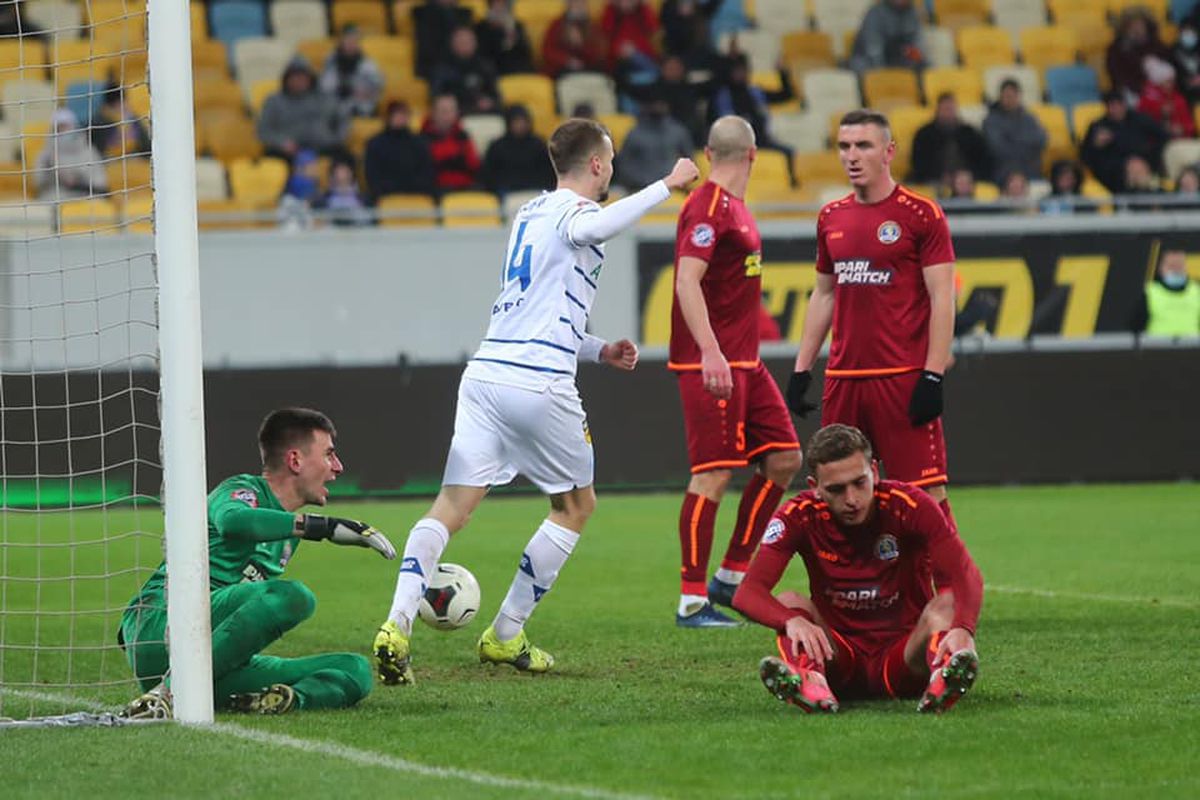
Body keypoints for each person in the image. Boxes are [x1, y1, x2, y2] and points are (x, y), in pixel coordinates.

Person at [373, 120, 700, 685]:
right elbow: (603, 223)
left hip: (485, 374)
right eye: (612, 160)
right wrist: (666, 185)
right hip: (538, 384)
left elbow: (537, 305)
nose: (613, 169)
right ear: (597, 165)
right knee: (575, 507)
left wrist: (597, 350)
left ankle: (396, 623)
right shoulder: (578, 214)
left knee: (451, 506)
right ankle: (505, 636)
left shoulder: (529, 214)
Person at [119, 409, 396, 717]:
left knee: (354, 669)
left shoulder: (288, 532)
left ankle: (281, 699)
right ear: (295, 461)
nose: (338, 467)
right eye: (329, 455)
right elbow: (234, 522)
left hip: (212, 656)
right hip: (164, 626)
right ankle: (171, 691)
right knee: (293, 597)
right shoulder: (242, 491)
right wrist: (322, 527)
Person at [732, 424, 983, 714]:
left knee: (948, 603)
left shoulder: (911, 505)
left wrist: (964, 627)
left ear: (874, 473)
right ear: (815, 488)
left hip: (905, 658)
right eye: (836, 489)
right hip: (839, 660)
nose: (851, 499)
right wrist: (790, 621)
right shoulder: (798, 516)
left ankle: (943, 677)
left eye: (859, 483)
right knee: (789, 603)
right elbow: (747, 593)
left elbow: (965, 572)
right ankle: (812, 682)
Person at [786, 109, 960, 528]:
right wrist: (802, 368)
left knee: (924, 496)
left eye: (863, 145)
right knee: (840, 498)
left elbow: (942, 295)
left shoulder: (921, 214)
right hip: (844, 381)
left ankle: (951, 590)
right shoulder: (831, 216)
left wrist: (933, 374)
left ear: (888, 151)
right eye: (844, 146)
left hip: (901, 378)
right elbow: (825, 292)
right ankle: (856, 591)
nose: (851, 155)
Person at [669, 116, 801, 627]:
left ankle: (730, 576)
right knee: (713, 474)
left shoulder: (734, 209)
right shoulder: (706, 207)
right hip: (713, 363)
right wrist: (709, 351)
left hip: (745, 361)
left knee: (786, 459)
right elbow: (687, 282)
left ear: (708, 152)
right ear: (754, 154)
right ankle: (691, 600)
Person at [257, 58, 348, 161]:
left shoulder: (325, 98)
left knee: (345, 157)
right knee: (271, 157)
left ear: (311, 78)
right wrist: (281, 142)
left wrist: (334, 139)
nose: (299, 81)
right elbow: (263, 130)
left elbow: (342, 120)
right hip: (288, 150)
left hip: (323, 147)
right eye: (294, 77)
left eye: (303, 77)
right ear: (286, 79)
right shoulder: (274, 101)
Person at [1080, 91, 1168, 194]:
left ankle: (1143, 196)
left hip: (1144, 161)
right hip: (1113, 171)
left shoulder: (1139, 119)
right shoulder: (1098, 126)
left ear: (1124, 105)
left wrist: (1148, 156)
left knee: (1138, 167)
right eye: (1112, 106)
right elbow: (1085, 156)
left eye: (1119, 104)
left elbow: (1163, 136)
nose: (1116, 109)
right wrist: (1096, 145)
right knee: (1134, 169)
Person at [615, 90, 694, 191]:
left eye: (661, 104)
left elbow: (689, 160)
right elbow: (624, 164)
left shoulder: (678, 131)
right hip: (641, 189)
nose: (658, 107)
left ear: (667, 106)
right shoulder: (635, 133)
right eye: (654, 104)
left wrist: (678, 180)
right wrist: (641, 182)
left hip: (672, 189)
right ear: (647, 107)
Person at [909, 92, 991, 184]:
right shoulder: (924, 134)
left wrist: (970, 175)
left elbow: (983, 160)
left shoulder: (969, 133)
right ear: (937, 110)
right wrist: (938, 175)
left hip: (966, 180)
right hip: (933, 180)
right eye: (945, 109)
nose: (948, 113)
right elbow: (918, 163)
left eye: (951, 109)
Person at [364, 101, 437, 200]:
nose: (400, 118)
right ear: (388, 117)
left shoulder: (419, 143)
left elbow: (427, 172)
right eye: (396, 114)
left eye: (403, 114)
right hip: (385, 196)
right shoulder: (375, 144)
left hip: (416, 195)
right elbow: (372, 175)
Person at [481, 105, 557, 197]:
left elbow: (548, 174)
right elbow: (489, 175)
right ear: (509, 123)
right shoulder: (497, 146)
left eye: (524, 121)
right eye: (516, 121)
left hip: (535, 189)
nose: (521, 125)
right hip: (505, 191)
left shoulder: (539, 145)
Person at [982, 79, 1046, 183]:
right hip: (1004, 173)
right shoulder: (991, 120)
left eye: (1013, 95)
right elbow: (997, 149)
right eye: (1007, 96)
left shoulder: (1029, 118)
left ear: (1018, 96)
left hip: (1030, 171)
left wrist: (1011, 138)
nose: (1010, 99)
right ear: (1001, 97)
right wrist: (1026, 142)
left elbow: (1042, 140)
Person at [35, 108, 107, 201]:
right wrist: (50, 169)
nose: (62, 131)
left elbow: (99, 183)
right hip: (57, 194)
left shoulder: (88, 151)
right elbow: (39, 182)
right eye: (58, 127)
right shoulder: (46, 154)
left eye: (65, 126)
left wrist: (77, 178)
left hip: (86, 195)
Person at [1107, 7, 1173, 103]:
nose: (1137, 28)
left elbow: (1168, 65)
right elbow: (1116, 74)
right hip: (1132, 89)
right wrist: (1140, 87)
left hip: (1158, 88)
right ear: (1126, 28)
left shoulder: (1156, 44)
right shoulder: (1117, 48)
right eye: (1132, 25)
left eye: (1140, 24)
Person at [430, 26, 501, 115]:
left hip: (483, 114)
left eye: (468, 41)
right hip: (454, 114)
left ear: (475, 43)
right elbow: (436, 96)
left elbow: (495, 95)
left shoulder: (485, 66)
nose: (465, 45)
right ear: (452, 43)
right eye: (461, 41)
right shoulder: (442, 69)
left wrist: (489, 102)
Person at [319, 24, 385, 119]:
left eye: (355, 40)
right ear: (341, 41)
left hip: (362, 108)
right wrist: (347, 90)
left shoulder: (368, 63)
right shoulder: (331, 61)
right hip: (336, 107)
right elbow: (324, 87)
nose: (351, 43)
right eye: (348, 39)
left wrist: (367, 93)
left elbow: (378, 85)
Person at [420, 93, 482, 193]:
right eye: (443, 111)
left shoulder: (463, 137)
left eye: (451, 111)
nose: (447, 116)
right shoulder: (422, 139)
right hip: (436, 190)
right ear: (433, 112)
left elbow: (474, 166)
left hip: (465, 188)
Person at [1131, 248, 1200, 336]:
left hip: (1193, 348)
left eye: (1179, 266)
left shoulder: (1197, 292)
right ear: (1161, 268)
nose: (1176, 271)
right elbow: (1136, 326)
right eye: (1171, 266)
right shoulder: (1150, 293)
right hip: (1157, 347)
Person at [848, 0, 925, 75]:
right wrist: (884, 73)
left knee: (922, 67)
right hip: (869, 61)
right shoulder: (875, 13)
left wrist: (919, 60)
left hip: (895, 60)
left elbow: (916, 43)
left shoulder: (912, 12)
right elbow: (873, 49)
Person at [541, 0, 607, 78]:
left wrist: (580, 44)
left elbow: (599, 54)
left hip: (588, 70)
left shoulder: (593, 27)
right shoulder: (557, 25)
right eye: (574, 2)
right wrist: (567, 60)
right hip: (562, 70)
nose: (578, 6)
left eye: (581, 3)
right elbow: (547, 50)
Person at [1136, 56, 1195, 139]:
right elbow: (1141, 122)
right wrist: (1159, 111)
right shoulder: (1147, 100)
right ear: (1159, 83)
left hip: (1182, 141)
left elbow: (1190, 125)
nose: (1171, 85)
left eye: (1172, 81)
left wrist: (1183, 129)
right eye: (1167, 81)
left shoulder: (1179, 99)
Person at [413, 0, 474, 79]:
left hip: (460, 64)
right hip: (435, 66)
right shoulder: (422, 14)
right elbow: (428, 49)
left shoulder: (464, 13)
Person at [475, 0, 534, 75]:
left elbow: (526, 52)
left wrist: (513, 38)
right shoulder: (481, 27)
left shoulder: (517, 26)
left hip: (517, 68)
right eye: (496, 5)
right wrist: (497, 32)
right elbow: (482, 53)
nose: (500, 9)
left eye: (503, 5)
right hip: (494, 67)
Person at [92, 85, 151, 157]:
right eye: (122, 102)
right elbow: (98, 149)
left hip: (133, 161)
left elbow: (147, 147)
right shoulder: (99, 122)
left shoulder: (132, 118)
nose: (126, 105)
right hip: (109, 163)